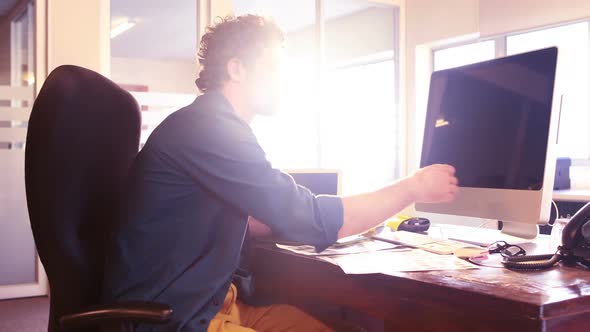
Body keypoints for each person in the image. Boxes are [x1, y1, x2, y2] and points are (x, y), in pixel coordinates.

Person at [102, 14, 458, 332]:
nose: (284, 80)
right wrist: (413, 187)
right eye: (274, 68)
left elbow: (249, 217)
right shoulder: (209, 128)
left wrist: (296, 218)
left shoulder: (210, 124)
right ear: (237, 69)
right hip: (173, 319)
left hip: (213, 305)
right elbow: (313, 219)